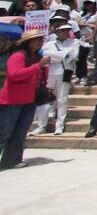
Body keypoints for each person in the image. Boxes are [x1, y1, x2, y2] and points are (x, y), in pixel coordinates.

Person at [0, 30, 50, 169]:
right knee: (4, 131)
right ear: (28, 42)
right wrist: (37, 66)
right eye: (36, 39)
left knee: (20, 132)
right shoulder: (18, 56)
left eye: (41, 39)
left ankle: (12, 160)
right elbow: (14, 74)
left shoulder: (36, 57)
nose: (40, 42)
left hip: (30, 99)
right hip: (12, 100)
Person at [31, 23, 78, 135]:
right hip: (50, 71)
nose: (65, 32)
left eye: (67, 30)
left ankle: (59, 126)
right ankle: (41, 126)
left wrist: (52, 55)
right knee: (45, 99)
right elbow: (42, 57)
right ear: (56, 32)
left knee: (62, 99)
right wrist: (60, 55)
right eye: (62, 30)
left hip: (65, 72)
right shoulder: (49, 44)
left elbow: (72, 56)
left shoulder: (74, 42)